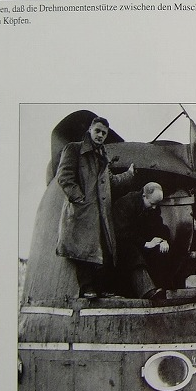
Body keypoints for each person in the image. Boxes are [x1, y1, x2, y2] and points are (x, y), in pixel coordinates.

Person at [55, 116, 139, 299]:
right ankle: (87, 289)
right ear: (90, 130)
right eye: (98, 131)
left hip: (101, 212)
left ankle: (101, 289)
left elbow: (112, 183)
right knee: (83, 249)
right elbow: (64, 177)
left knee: (103, 250)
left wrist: (129, 175)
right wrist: (80, 199)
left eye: (104, 133)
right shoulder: (74, 149)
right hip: (83, 211)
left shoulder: (103, 156)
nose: (100, 135)